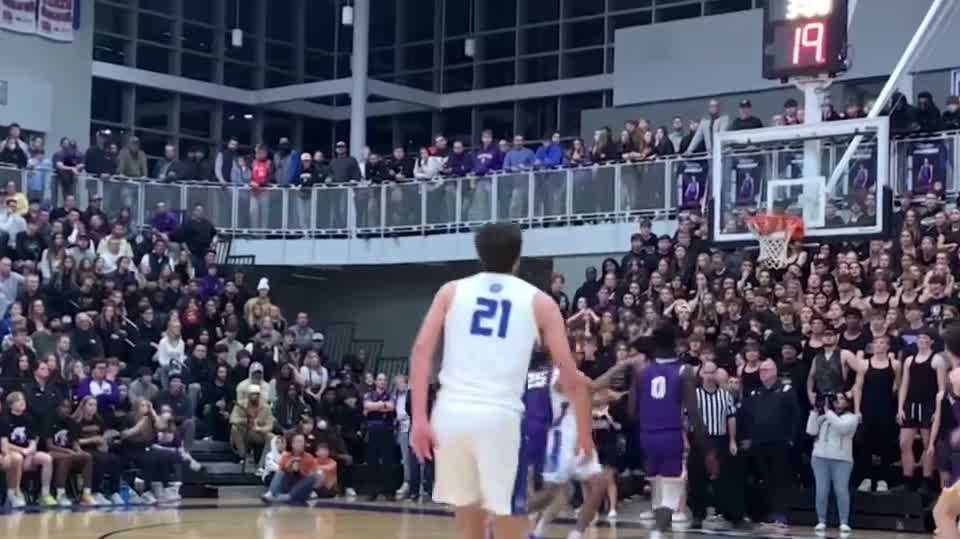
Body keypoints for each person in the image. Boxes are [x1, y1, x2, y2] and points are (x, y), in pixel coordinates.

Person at [409, 223, 594, 539]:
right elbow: (569, 373)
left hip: (450, 415)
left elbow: (421, 352)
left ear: (479, 254)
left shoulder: (450, 291)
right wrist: (585, 435)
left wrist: (419, 419)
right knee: (510, 522)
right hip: (499, 418)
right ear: (518, 256)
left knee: (469, 525)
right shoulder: (540, 302)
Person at [629, 322, 715, 532]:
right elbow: (693, 413)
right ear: (675, 344)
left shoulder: (642, 371)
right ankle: (657, 534)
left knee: (657, 492)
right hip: (670, 435)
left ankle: (658, 530)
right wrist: (707, 449)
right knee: (670, 495)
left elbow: (631, 411)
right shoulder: (685, 371)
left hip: (647, 436)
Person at [898, 327, 947, 493]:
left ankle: (927, 480)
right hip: (910, 405)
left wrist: (937, 410)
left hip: (928, 406)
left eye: (925, 338)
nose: (921, 340)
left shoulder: (937, 360)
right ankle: (907, 480)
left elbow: (941, 389)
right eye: (919, 338)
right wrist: (900, 407)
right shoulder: (909, 360)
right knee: (904, 443)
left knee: (928, 444)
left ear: (931, 341)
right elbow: (904, 385)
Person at [807, 392, 859, 534]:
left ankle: (844, 521)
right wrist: (815, 412)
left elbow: (841, 428)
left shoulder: (852, 418)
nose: (837, 400)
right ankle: (821, 520)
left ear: (848, 402)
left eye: (841, 398)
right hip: (820, 457)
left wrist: (827, 412)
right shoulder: (824, 416)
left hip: (842, 459)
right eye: (835, 398)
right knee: (821, 490)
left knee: (841, 490)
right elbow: (811, 431)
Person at [1, 391, 56, 507]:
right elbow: (5, 445)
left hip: (27, 453)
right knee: (17, 458)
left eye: (23, 399)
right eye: (19, 400)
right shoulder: (4, 419)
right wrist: (22, 451)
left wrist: (30, 452)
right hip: (13, 452)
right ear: (11, 404)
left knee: (47, 458)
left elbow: (33, 441)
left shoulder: (29, 418)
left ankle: (45, 494)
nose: (23, 402)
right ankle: (15, 492)